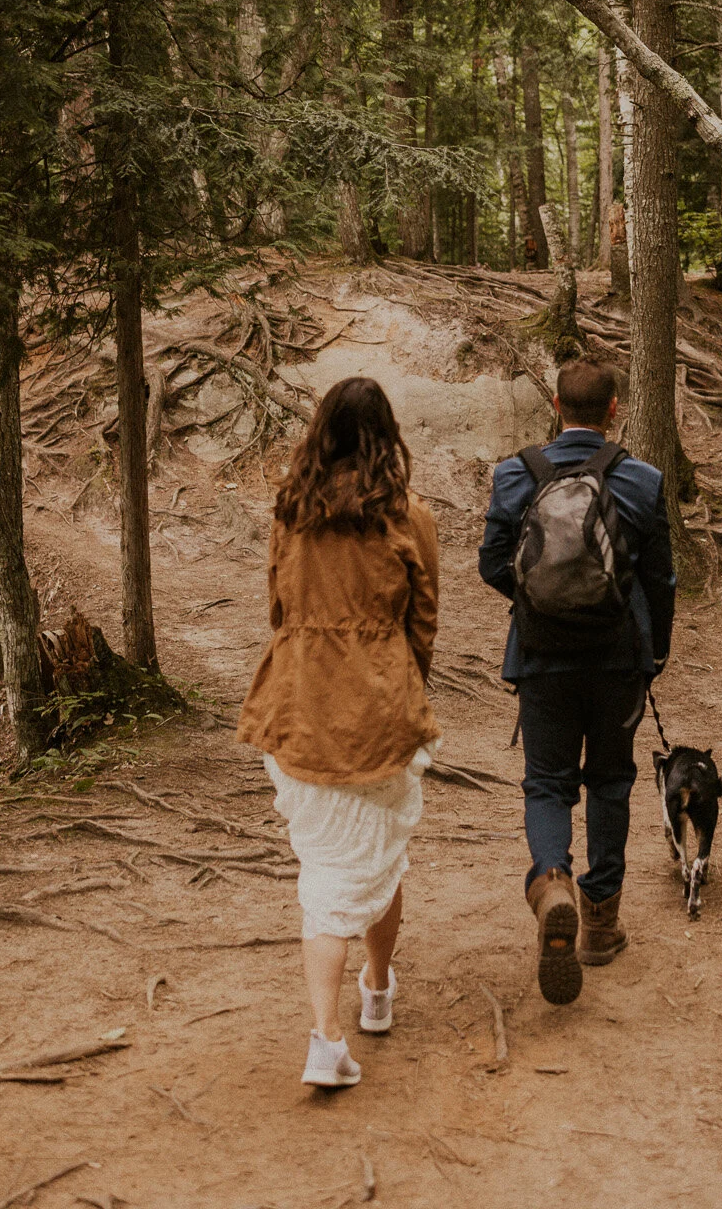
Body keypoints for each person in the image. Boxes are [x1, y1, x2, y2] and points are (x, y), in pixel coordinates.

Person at [238, 377, 439, 1089]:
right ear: (386, 437)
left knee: (332, 862)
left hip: (296, 703)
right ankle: (341, 1024)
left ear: (320, 433)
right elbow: (423, 621)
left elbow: (277, 605)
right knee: (376, 861)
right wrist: (399, 687)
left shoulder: (290, 512)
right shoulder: (407, 515)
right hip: (380, 711)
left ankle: (369, 996)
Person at [479, 357, 675, 1004]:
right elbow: (660, 582)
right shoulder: (642, 481)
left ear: (556, 407)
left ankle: (551, 881)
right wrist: (656, 651)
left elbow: (490, 565)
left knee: (547, 782)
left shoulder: (516, 475)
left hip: (540, 658)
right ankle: (599, 925)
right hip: (619, 660)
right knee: (611, 780)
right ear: (614, 408)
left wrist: (538, 599)